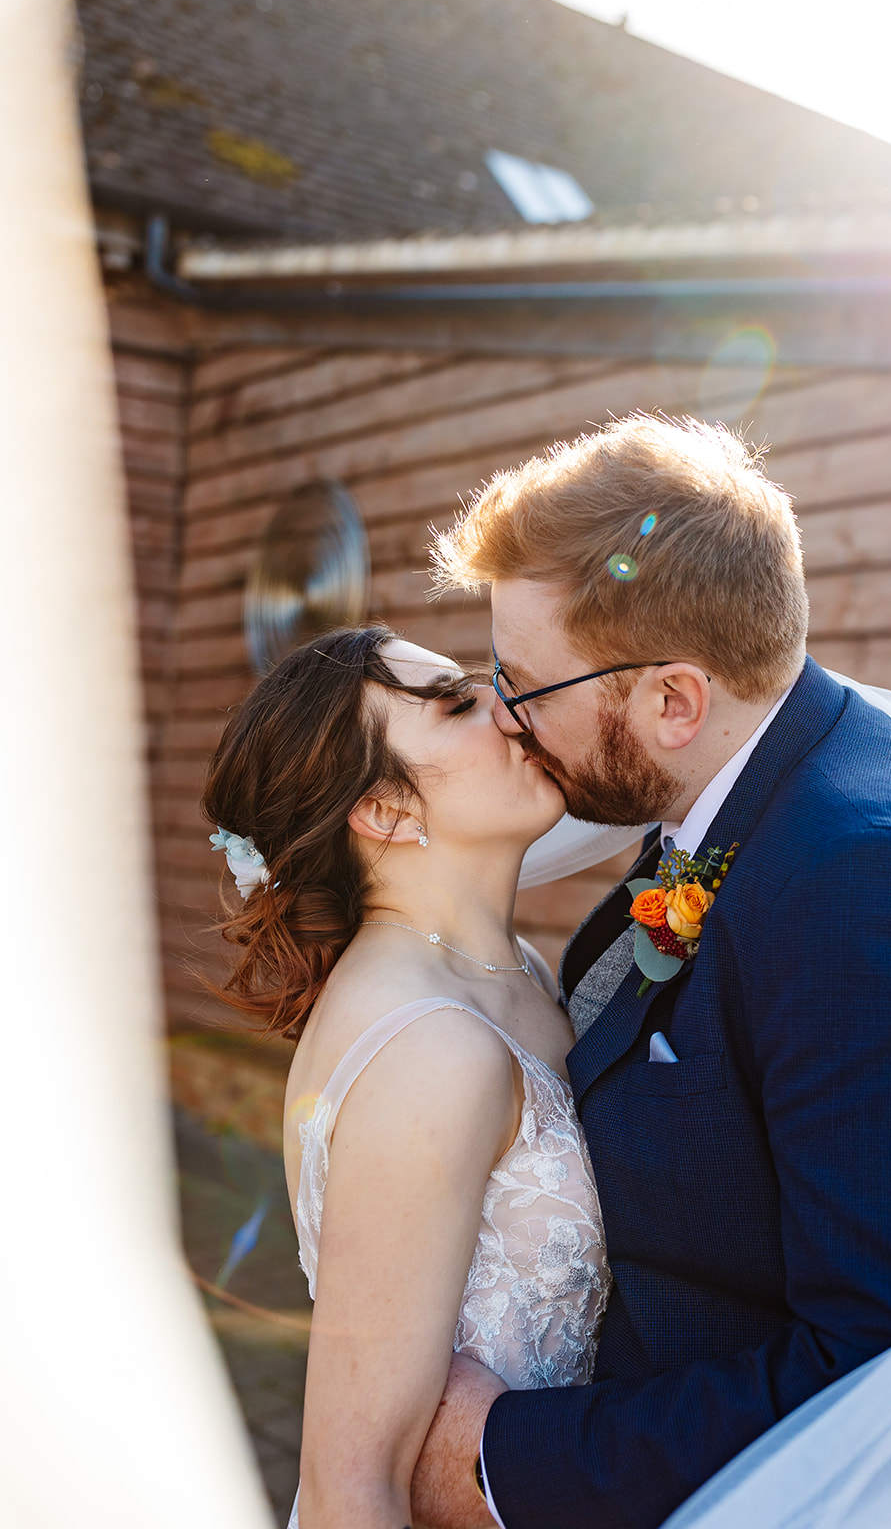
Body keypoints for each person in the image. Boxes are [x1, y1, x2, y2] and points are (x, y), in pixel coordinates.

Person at [412, 414, 891, 1529]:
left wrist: (502, 1462)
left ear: (672, 700)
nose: (508, 722)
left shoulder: (870, 892)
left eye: (525, 687)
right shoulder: (753, 775)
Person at [202, 626, 612, 1529]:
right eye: (460, 704)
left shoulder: (519, 973)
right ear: (385, 812)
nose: (510, 711)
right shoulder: (429, 1049)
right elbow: (353, 1480)